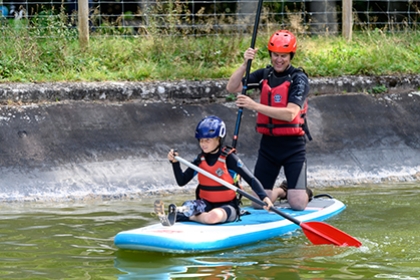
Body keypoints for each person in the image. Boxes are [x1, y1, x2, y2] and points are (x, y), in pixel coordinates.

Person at [226, 30, 313, 211]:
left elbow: (290, 114)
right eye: (275, 55)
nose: (278, 60)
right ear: (270, 55)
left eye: (283, 56)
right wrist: (245, 63)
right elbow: (232, 87)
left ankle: (296, 192)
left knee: (297, 204)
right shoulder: (264, 75)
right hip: (269, 147)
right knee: (258, 202)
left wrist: (254, 105)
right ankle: (282, 191)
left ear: (291, 56)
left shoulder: (299, 79)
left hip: (293, 147)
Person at [155, 115, 274, 226]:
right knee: (189, 206)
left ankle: (187, 216)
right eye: (201, 140)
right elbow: (182, 181)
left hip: (228, 206)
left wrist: (264, 198)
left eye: (208, 140)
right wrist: (175, 163)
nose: (203, 144)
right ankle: (183, 213)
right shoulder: (200, 159)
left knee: (213, 217)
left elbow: (251, 179)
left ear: (218, 139)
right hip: (205, 204)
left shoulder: (229, 158)